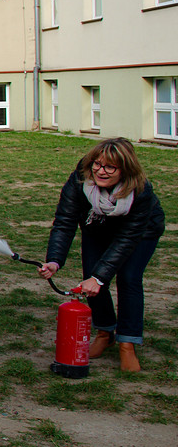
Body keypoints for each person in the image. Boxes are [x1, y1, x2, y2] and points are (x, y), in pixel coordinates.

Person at [39, 137, 165, 373]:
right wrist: (55, 260)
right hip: (97, 225)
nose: (100, 171)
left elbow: (127, 239)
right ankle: (105, 332)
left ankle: (127, 343)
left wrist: (99, 277)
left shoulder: (141, 190)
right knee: (91, 275)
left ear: (125, 170)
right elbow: (65, 221)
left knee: (128, 278)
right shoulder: (80, 178)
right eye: (97, 164)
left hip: (140, 232)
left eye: (110, 167)